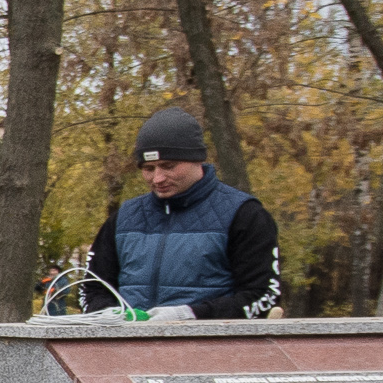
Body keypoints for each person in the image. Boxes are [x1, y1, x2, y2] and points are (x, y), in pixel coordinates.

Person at [87, 105, 281, 318]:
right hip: (128, 348)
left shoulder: (245, 214)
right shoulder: (124, 217)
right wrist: (105, 314)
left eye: (168, 166)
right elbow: (92, 288)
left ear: (197, 160)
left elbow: (262, 296)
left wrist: (190, 315)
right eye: (148, 169)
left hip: (211, 348)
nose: (157, 178)